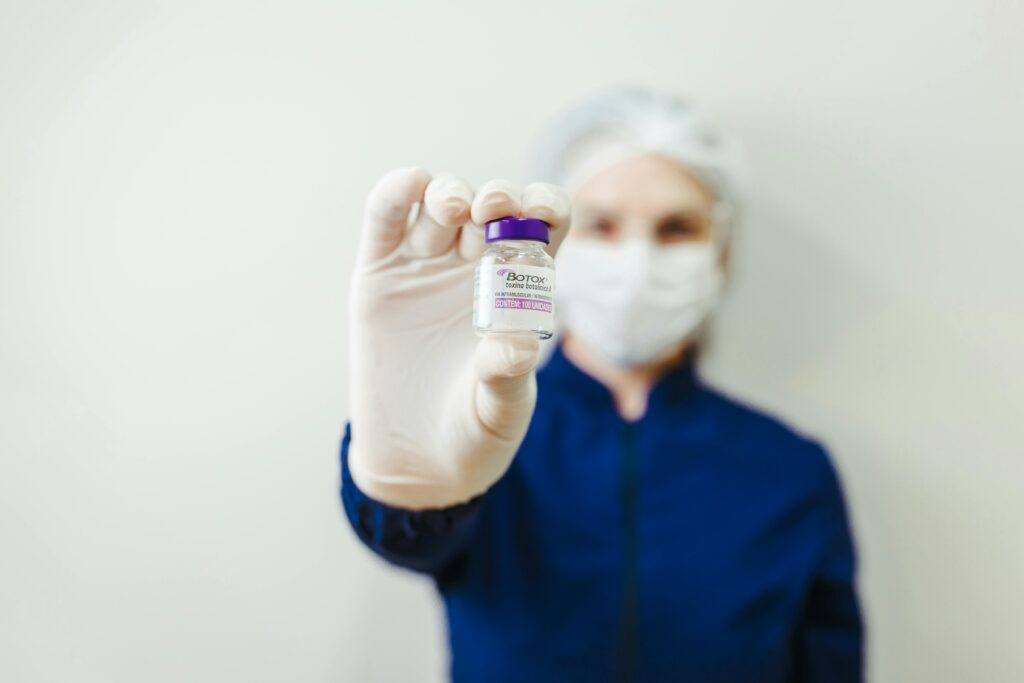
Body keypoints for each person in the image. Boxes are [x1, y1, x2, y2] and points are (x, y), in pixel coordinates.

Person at [340, 87, 864, 682]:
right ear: (549, 248)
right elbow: (407, 542)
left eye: (675, 228)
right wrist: (406, 487)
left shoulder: (790, 470)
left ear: (719, 250)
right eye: (602, 224)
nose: (637, 261)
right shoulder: (482, 431)